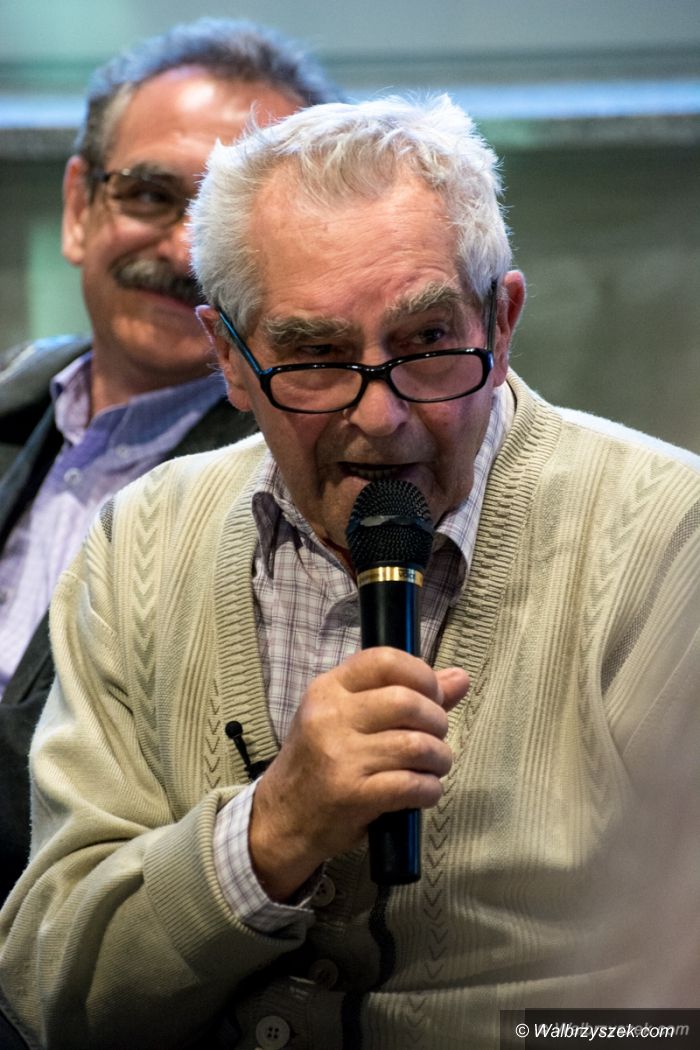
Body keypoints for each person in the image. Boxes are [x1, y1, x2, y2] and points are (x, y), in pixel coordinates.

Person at [1, 96, 698, 1049]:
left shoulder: (666, 541)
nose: (381, 415)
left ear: (502, 321)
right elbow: (50, 985)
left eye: (426, 344)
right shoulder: (143, 542)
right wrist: (271, 833)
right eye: (317, 357)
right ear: (230, 359)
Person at [0, 17, 340, 906]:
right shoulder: (15, 411)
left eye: (226, 220)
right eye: (151, 195)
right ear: (80, 208)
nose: (184, 251)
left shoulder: (316, 486)